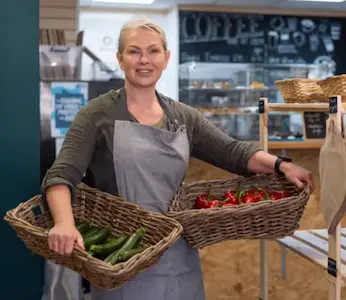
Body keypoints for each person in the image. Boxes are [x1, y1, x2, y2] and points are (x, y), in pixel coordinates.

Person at [41, 18, 313, 300]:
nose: (144, 60)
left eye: (153, 51)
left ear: (166, 58)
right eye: (134, 51)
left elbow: (233, 153)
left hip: (178, 257)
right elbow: (62, 175)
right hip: (123, 256)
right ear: (120, 59)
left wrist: (282, 165)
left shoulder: (183, 117)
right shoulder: (97, 114)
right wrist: (63, 223)